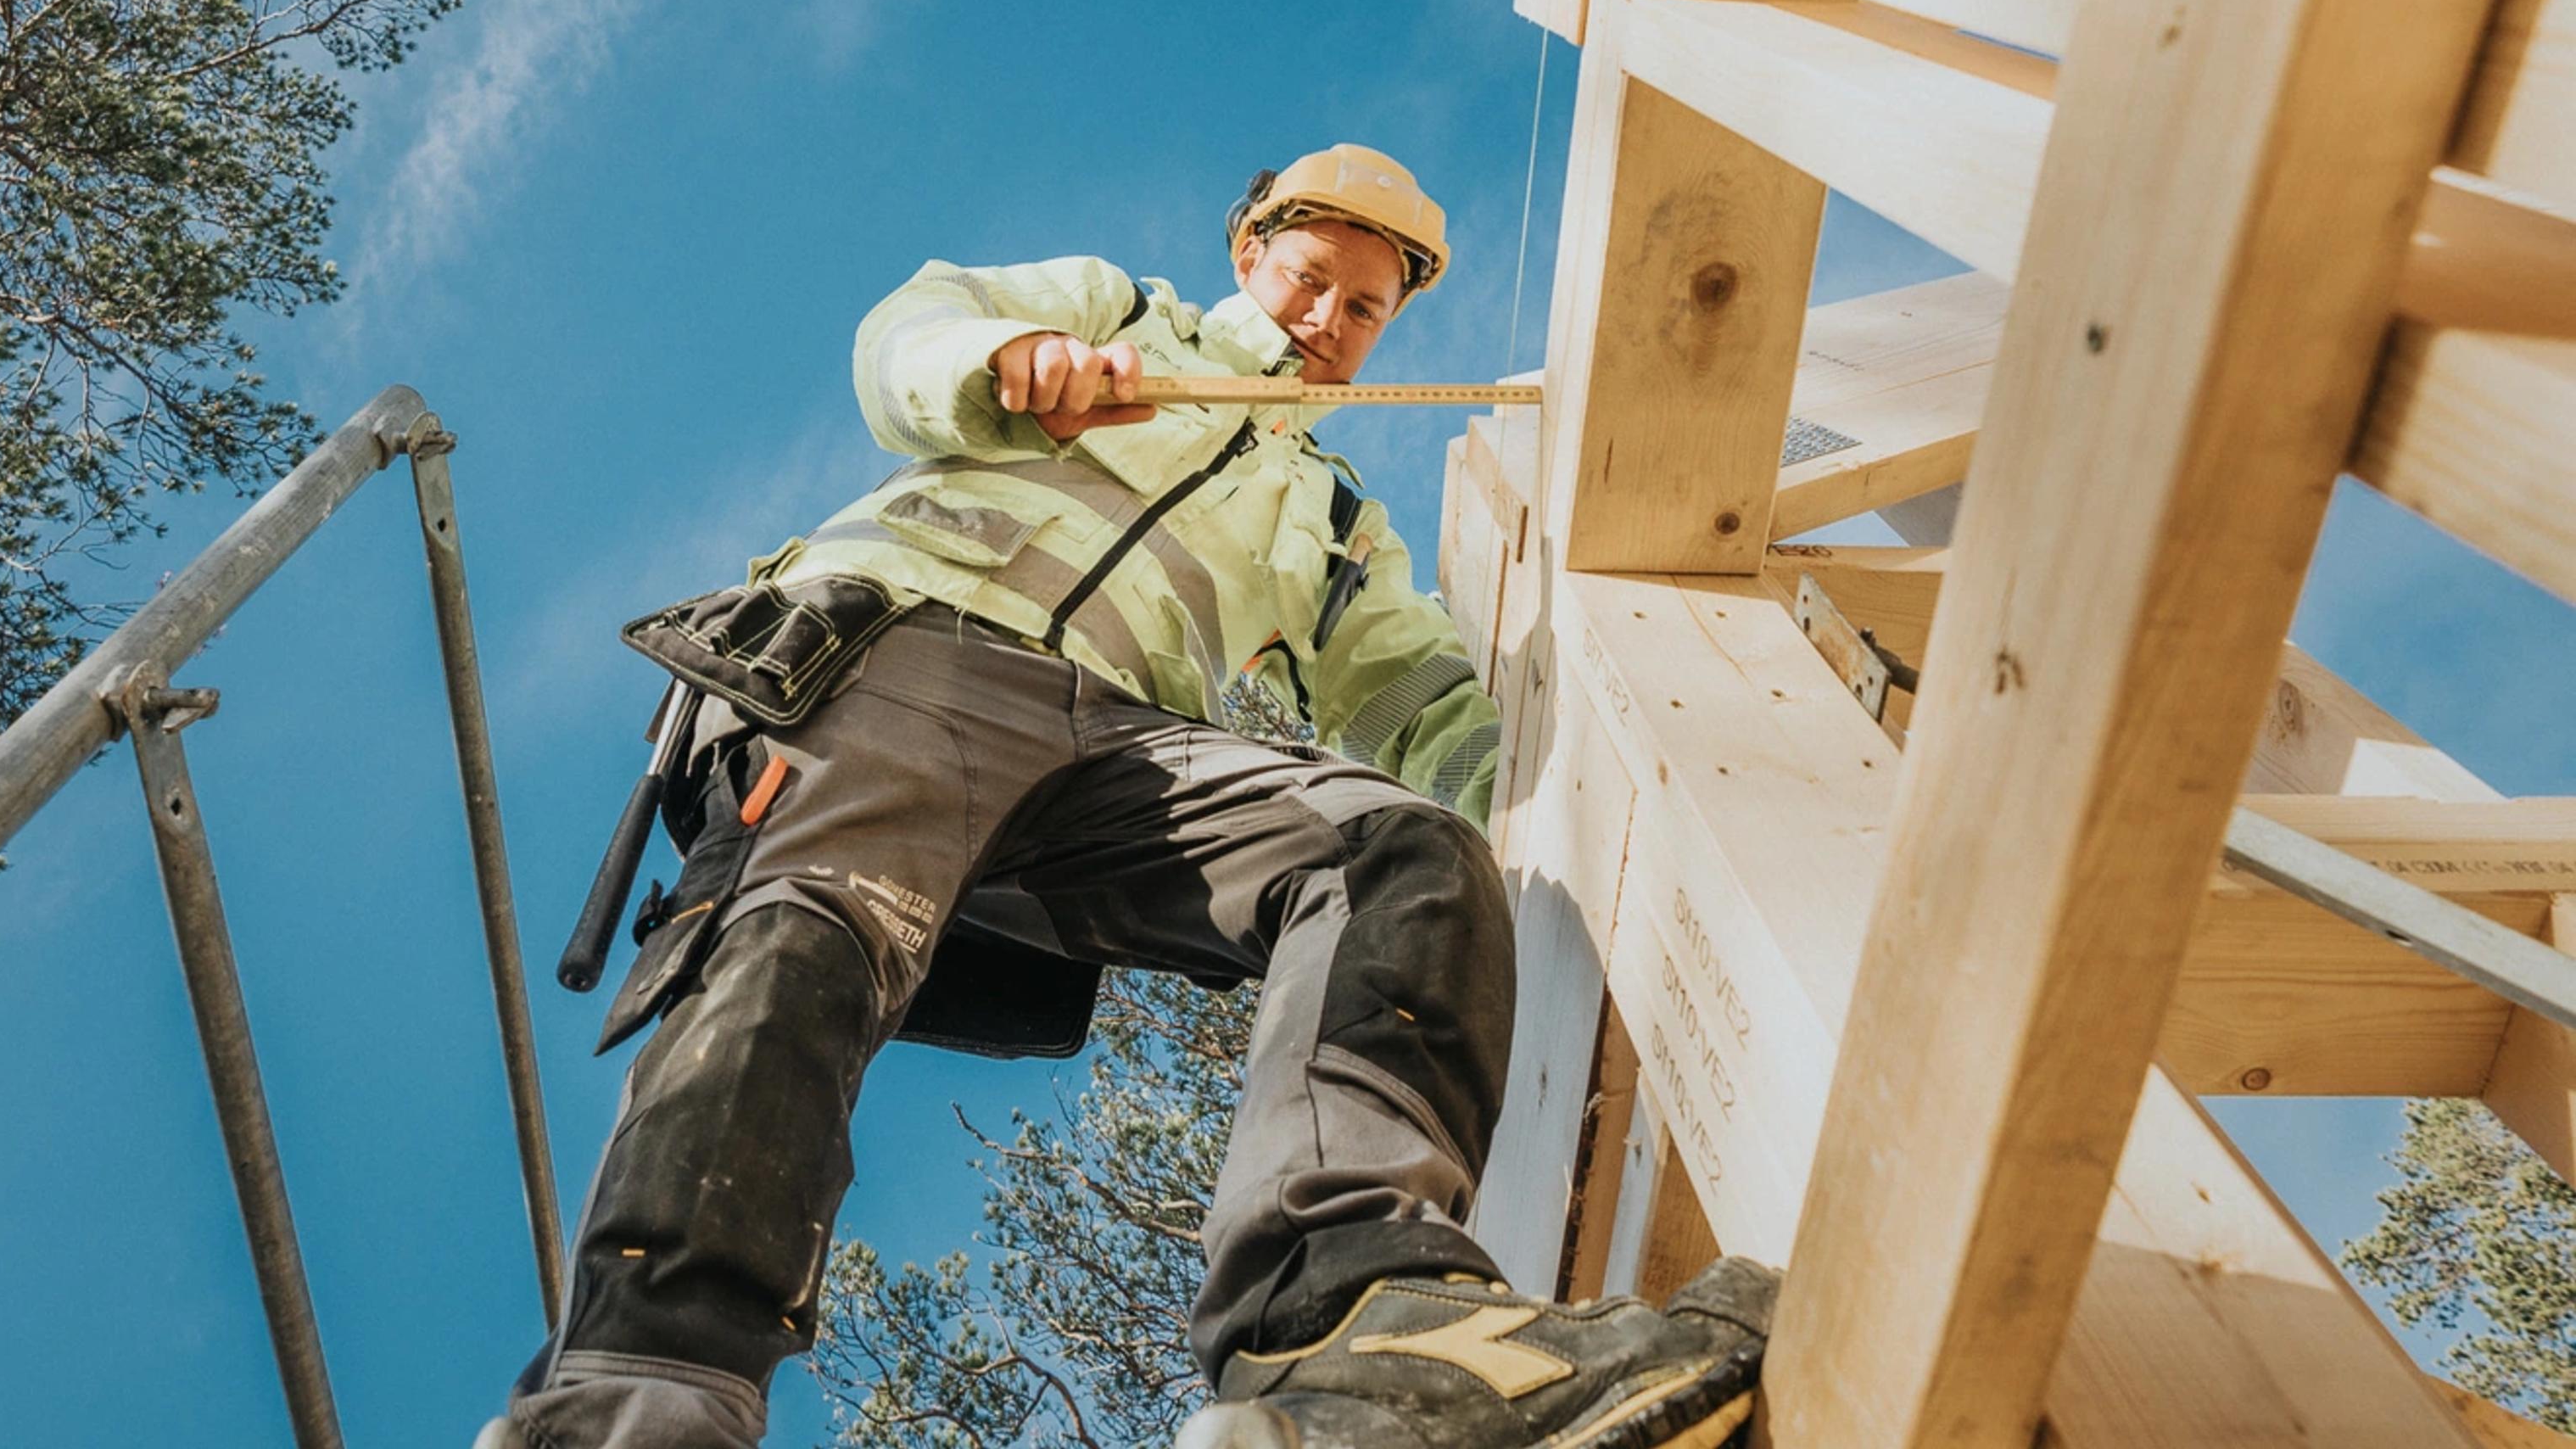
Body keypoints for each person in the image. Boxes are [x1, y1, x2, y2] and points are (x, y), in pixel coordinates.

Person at [483, 146, 1776, 1449]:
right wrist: (1010, 366)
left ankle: (1346, 1325)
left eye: (1365, 309)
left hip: (1108, 746)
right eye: (1312, 280)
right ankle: (639, 1400)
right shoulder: (1122, 314)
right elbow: (907, 336)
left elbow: (1437, 716)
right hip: (901, 648)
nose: (1328, 322)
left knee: (1399, 853)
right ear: (1250, 255)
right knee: (803, 940)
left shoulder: (1332, 520)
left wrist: (1630, 795)